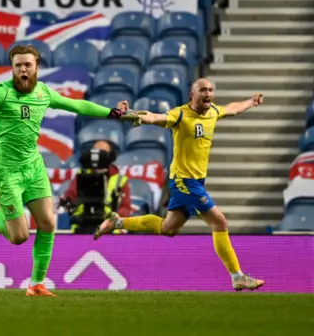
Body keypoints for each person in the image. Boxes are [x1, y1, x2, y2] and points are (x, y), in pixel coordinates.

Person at [0, 44, 142, 297]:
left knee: (48, 223)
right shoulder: (1, 92)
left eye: (27, 65)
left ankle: (36, 285)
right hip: (7, 172)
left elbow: (78, 105)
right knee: (19, 237)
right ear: (13, 68)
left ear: (37, 67)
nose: (23, 69)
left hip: (34, 168)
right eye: (18, 65)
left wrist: (113, 113)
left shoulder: (44, 93)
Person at [94, 78, 265, 291]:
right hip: (185, 181)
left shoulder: (213, 111)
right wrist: (132, 114)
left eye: (211, 90)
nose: (208, 94)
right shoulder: (180, 114)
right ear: (192, 94)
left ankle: (118, 223)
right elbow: (155, 117)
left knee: (168, 228)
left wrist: (251, 101)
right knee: (219, 223)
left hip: (195, 181)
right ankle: (237, 276)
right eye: (203, 90)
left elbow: (231, 109)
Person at [60, 140, 131, 234]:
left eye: (103, 153)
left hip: (111, 231)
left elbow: (125, 208)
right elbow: (70, 195)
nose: (98, 156)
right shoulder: (81, 175)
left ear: (110, 156)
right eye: (96, 152)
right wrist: (67, 201)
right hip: (82, 226)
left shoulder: (120, 180)